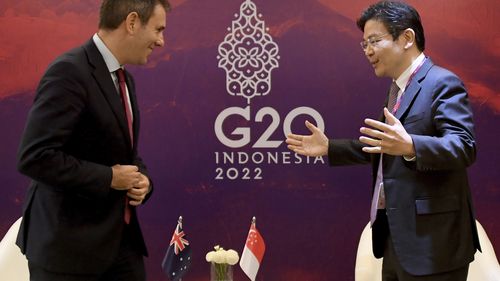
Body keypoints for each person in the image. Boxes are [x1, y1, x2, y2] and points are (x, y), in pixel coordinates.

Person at [286, 1, 481, 280]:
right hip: (397, 240)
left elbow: (464, 146)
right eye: (363, 44)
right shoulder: (398, 89)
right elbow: (386, 147)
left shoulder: (442, 83)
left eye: (374, 41)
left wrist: (412, 146)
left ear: (407, 38)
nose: (367, 51)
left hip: (433, 246)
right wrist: (330, 148)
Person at [16, 0, 170, 280]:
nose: (161, 41)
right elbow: (35, 156)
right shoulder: (69, 72)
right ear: (132, 22)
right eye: (158, 29)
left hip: (120, 245)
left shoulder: (125, 79)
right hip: (68, 253)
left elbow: (125, 152)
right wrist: (109, 178)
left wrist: (143, 180)